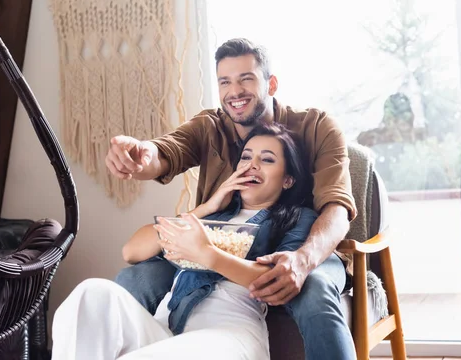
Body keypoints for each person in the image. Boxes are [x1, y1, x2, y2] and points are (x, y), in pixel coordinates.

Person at [108, 38, 357, 359]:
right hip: (223, 241)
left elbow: (337, 208)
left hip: (301, 246)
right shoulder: (210, 126)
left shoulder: (317, 126)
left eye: (246, 79)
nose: (234, 91)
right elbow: (165, 151)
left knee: (315, 291)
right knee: (135, 277)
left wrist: (303, 260)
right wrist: (141, 153)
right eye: (225, 82)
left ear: (272, 83)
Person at [51, 124, 318, 359]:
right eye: (246, 157)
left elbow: (276, 278)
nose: (252, 164)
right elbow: (132, 250)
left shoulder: (296, 218)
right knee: (92, 293)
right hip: (166, 328)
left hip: (226, 333)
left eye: (267, 160)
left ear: (288, 180)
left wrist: (208, 254)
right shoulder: (215, 212)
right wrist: (208, 206)